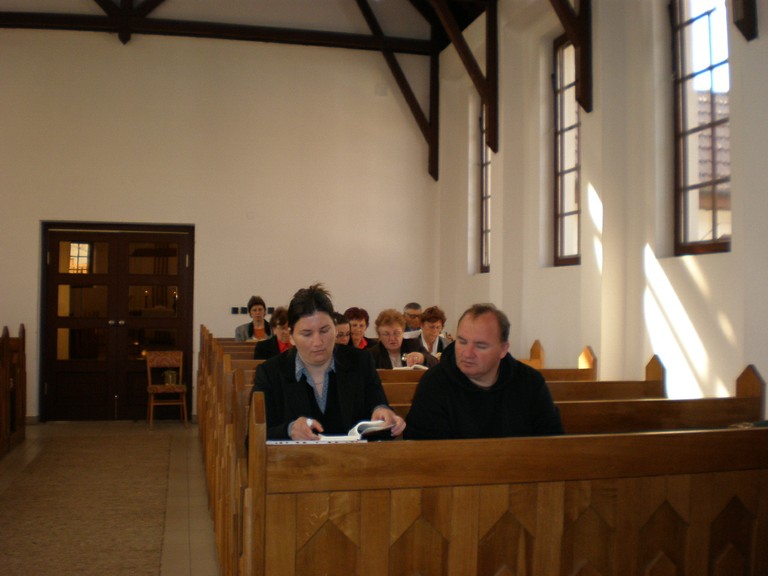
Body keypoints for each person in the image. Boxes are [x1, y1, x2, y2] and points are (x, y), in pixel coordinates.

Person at [253, 284, 405, 440]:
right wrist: (288, 430)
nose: (318, 342)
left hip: (354, 455)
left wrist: (384, 416)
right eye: (307, 334)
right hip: (297, 456)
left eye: (325, 330)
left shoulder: (360, 361)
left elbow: (378, 407)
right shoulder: (270, 373)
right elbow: (253, 440)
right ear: (291, 336)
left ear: (335, 328)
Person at [404, 303, 563, 440]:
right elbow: (422, 452)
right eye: (462, 342)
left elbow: (552, 445)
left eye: (480, 345)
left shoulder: (530, 383)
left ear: (503, 349)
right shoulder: (433, 384)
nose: (467, 353)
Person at [367, 309, 438, 369]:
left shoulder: (413, 345)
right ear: (379, 336)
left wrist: (422, 358)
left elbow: (436, 363)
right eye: (386, 334)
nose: (392, 338)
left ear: (403, 332)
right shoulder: (372, 355)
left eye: (396, 333)